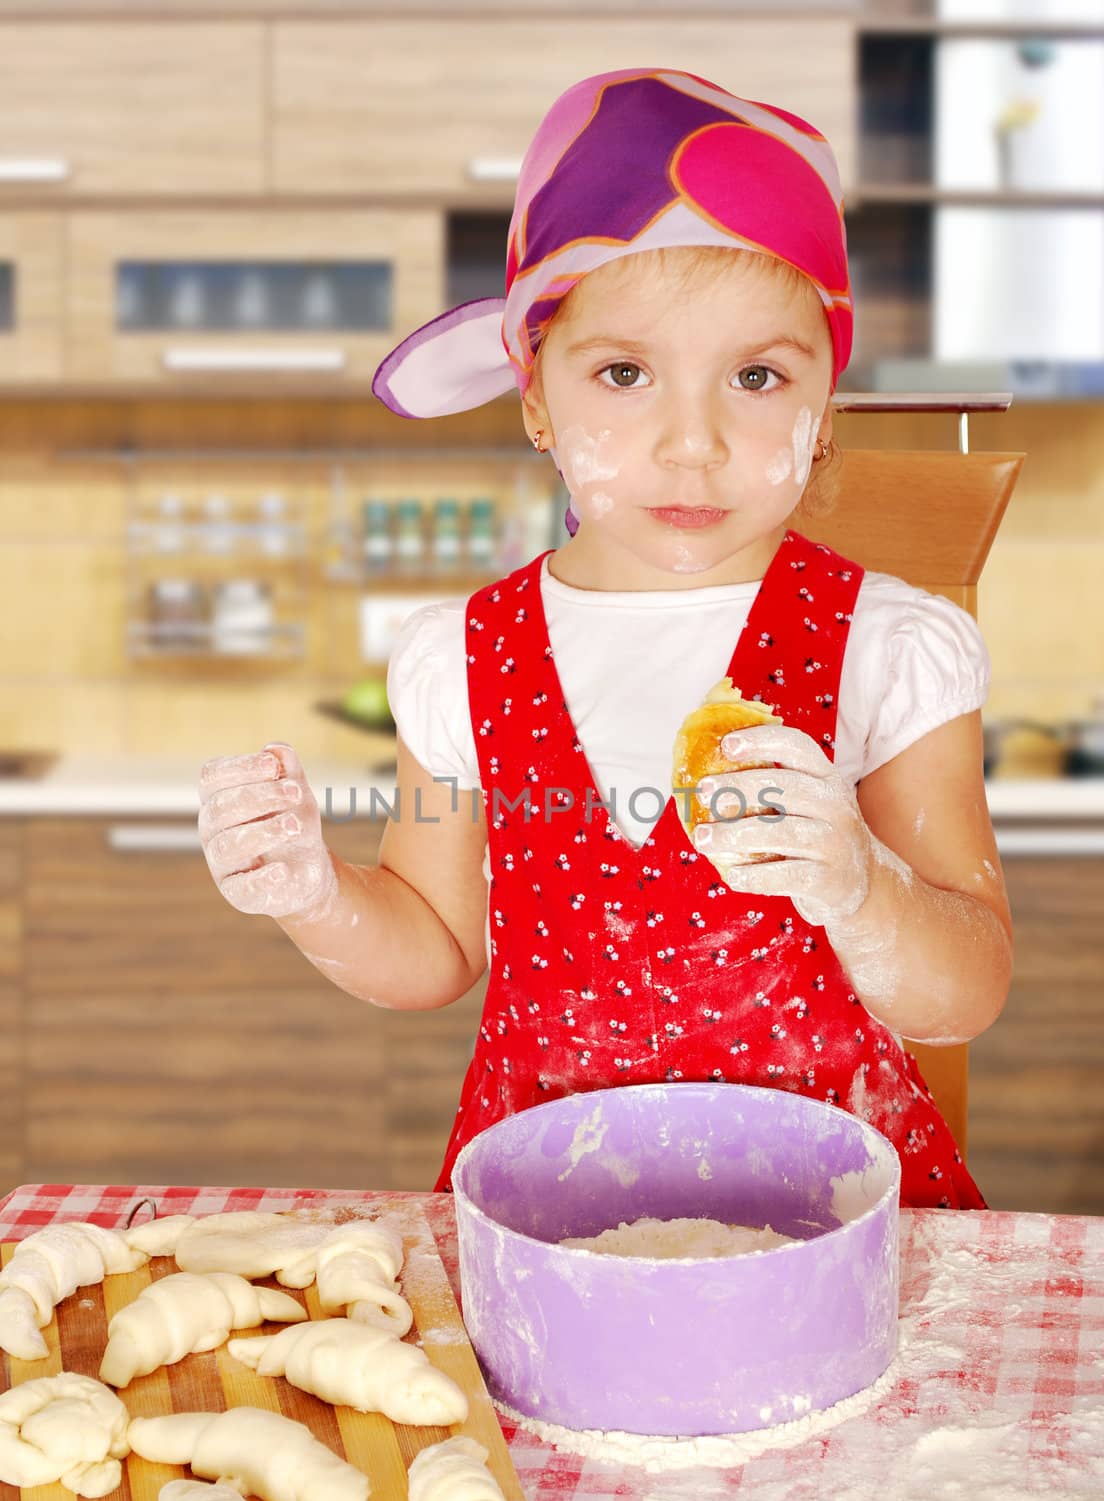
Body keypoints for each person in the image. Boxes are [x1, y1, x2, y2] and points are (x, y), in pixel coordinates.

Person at [197, 68, 1012, 1208]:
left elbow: (964, 992)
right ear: (536, 397)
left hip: (839, 1230)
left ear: (824, 405)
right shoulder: (460, 658)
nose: (693, 441)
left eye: (759, 376)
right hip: (553, 1222)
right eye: (624, 373)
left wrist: (861, 886)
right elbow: (434, 943)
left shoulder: (888, 643)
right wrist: (311, 892)